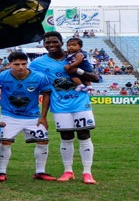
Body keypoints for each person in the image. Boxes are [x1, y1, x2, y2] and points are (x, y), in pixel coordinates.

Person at [30, 31, 100, 184]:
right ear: (44, 45)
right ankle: (68, 171)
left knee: (84, 135)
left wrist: (77, 70)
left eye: (55, 41)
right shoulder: (37, 63)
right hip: (59, 106)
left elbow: (96, 78)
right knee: (66, 137)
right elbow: (29, 78)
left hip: (81, 104)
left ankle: (87, 173)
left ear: (62, 43)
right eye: (48, 42)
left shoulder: (76, 57)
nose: (51, 45)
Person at [0, 52, 55, 181]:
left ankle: (40, 171)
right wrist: (2, 95)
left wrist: (43, 116)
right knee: (5, 142)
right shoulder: (2, 76)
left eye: (23, 64)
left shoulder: (39, 77)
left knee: (43, 141)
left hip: (33, 115)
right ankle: (1, 172)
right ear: (9, 64)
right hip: (9, 115)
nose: (21, 67)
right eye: (16, 64)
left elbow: (46, 95)